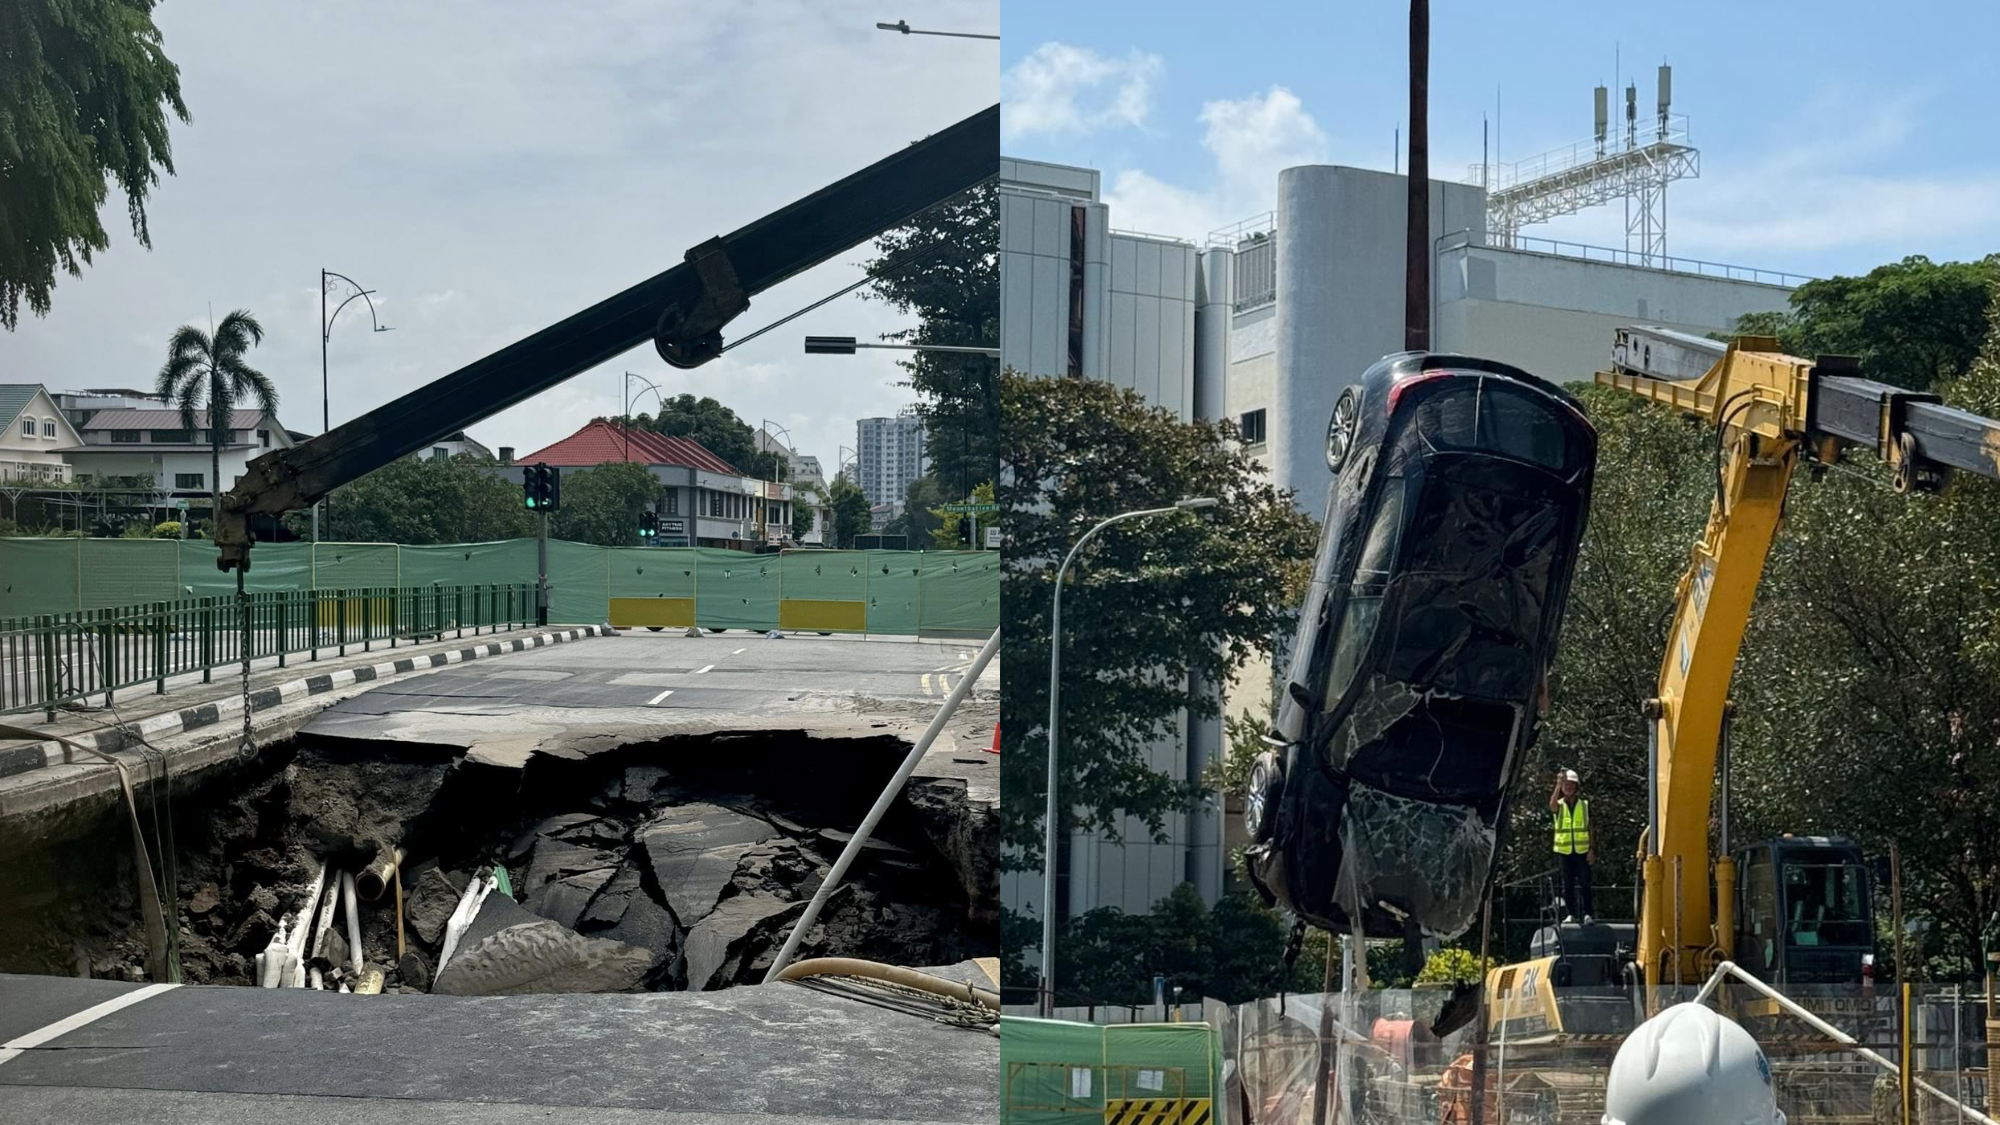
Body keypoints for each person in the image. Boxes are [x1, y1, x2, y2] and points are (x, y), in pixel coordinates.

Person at [1550, 768, 1593, 923]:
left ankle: (1588, 914)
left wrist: (1591, 849)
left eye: (1570, 784)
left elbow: (1590, 827)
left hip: (1582, 851)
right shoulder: (1559, 804)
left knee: (1585, 883)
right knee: (1567, 885)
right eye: (1565, 785)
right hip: (1564, 851)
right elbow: (1552, 806)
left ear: (1576, 787)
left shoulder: (1584, 805)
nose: (1567, 787)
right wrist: (1557, 784)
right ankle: (1571, 914)